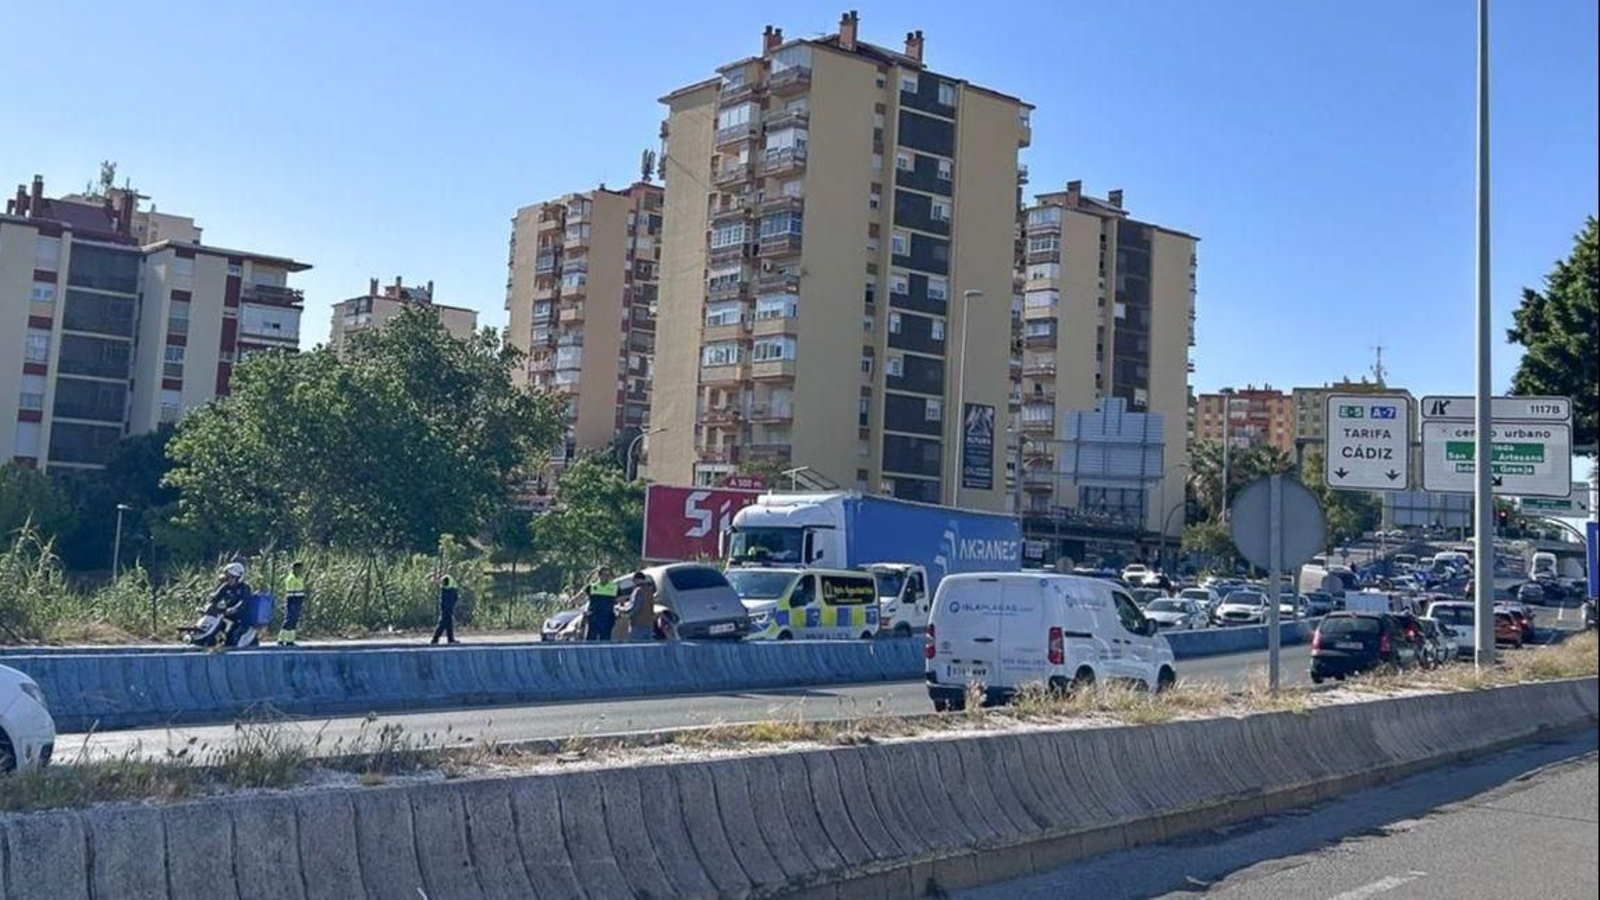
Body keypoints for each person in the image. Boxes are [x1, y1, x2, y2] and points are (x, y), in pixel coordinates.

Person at [211, 562, 254, 647]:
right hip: (229, 616)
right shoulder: (225, 587)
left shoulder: (245, 588)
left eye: (232, 577)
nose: (228, 580)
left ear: (239, 577)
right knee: (217, 626)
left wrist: (234, 609)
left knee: (233, 637)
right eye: (227, 577)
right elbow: (215, 598)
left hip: (242, 619)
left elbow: (243, 602)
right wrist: (208, 605)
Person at [584, 567, 619, 641]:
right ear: (599, 576)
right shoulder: (593, 586)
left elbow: (621, 598)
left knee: (605, 639)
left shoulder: (614, 587)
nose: (606, 577)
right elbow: (582, 596)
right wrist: (572, 601)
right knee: (591, 639)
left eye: (608, 575)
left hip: (607, 618)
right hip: (594, 617)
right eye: (604, 575)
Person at [277, 561, 308, 646]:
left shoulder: (299, 578)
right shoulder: (291, 578)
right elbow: (290, 593)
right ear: (295, 568)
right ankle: (281, 639)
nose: (301, 570)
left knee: (294, 620)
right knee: (289, 620)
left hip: (298, 601)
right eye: (300, 568)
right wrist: (293, 602)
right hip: (293, 601)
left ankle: (290, 640)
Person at [623, 571, 657, 641]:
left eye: (633, 580)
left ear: (636, 579)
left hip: (638, 624)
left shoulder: (638, 591)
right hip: (649, 624)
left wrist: (622, 610)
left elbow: (634, 608)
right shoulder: (649, 590)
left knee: (635, 647)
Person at [431, 573, 460, 645]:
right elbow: (443, 582)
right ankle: (435, 639)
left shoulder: (448, 580)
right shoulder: (447, 579)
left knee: (448, 621)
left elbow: (442, 582)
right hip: (448, 599)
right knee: (444, 621)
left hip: (448, 599)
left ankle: (450, 639)